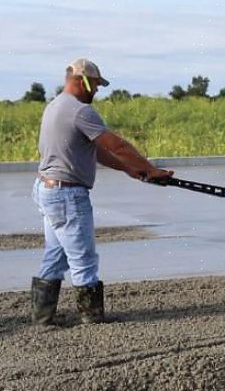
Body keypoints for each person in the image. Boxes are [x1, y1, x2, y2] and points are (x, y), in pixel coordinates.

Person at [31, 58, 173, 325]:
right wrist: (151, 169)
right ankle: (92, 319)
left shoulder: (54, 106)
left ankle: (42, 317)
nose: (96, 90)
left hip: (47, 189)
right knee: (83, 257)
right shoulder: (80, 111)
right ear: (82, 80)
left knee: (56, 254)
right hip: (67, 194)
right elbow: (117, 146)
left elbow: (93, 150)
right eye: (95, 84)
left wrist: (130, 170)